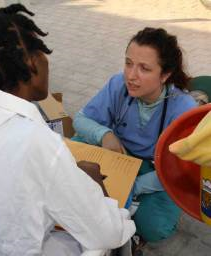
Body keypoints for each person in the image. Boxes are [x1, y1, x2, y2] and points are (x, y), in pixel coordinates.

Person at [0, 4, 135, 256]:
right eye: (42, 52)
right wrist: (95, 186)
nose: (46, 59)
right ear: (32, 64)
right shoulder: (37, 141)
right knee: (107, 231)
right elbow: (108, 233)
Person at [72, 27, 197, 252]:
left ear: (165, 74)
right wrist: (105, 134)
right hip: (120, 155)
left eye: (144, 68)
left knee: (155, 227)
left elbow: (180, 171)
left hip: (157, 170)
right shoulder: (117, 85)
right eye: (129, 63)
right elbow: (81, 119)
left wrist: (134, 186)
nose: (131, 75)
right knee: (77, 142)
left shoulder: (183, 108)